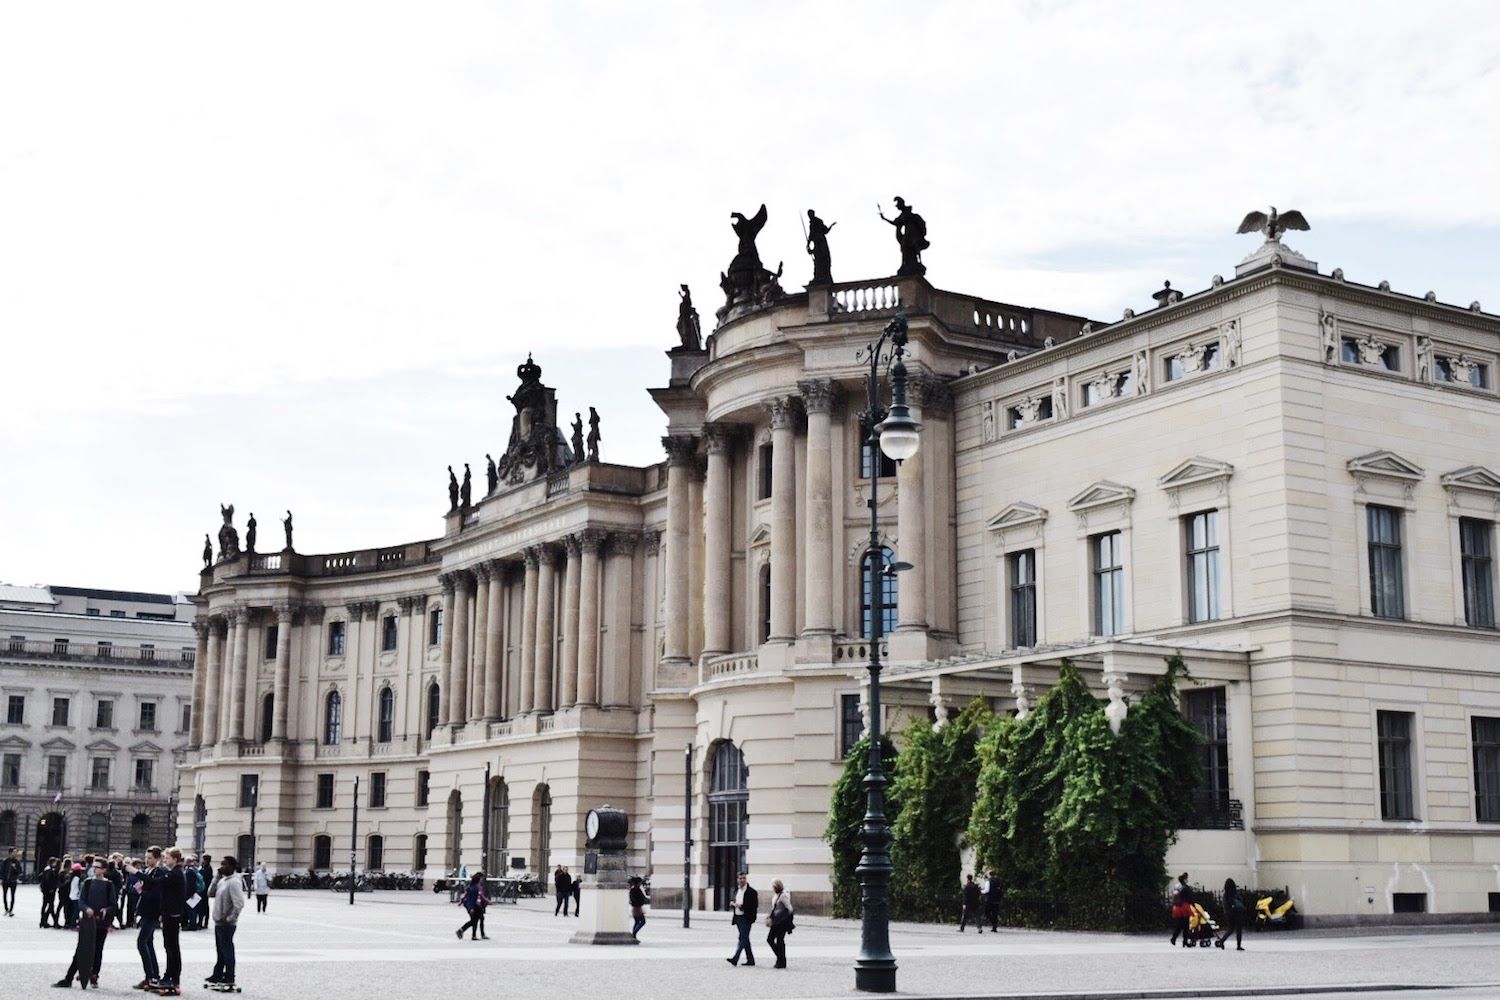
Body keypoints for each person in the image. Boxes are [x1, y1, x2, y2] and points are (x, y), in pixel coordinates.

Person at [54, 857, 114, 989]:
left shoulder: (109, 885)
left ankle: (94, 975)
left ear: (103, 869)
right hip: (87, 922)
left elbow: (113, 905)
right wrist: (86, 909)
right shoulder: (87, 883)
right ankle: (69, 978)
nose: (94, 869)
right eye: (94, 866)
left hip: (101, 923)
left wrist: (106, 910)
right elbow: (81, 901)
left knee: (98, 950)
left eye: (98, 867)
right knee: (81, 949)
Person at [207, 855, 246, 988]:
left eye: (224, 864)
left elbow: (239, 903)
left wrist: (230, 918)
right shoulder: (222, 880)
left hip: (227, 923)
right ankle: (218, 974)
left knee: (227, 950)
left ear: (232, 866)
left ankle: (230, 976)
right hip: (218, 921)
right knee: (220, 950)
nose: (221, 867)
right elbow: (210, 893)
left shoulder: (234, 882)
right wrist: (216, 877)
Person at [156, 847, 188, 996]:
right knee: (169, 946)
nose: (165, 860)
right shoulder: (173, 872)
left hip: (173, 914)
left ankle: (174, 977)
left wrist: (136, 873)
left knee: (172, 947)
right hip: (169, 913)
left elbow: (157, 882)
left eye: (167, 858)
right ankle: (169, 974)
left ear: (175, 859)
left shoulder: (175, 873)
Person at [133, 847, 164, 990]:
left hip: (152, 914)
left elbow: (156, 897)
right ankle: (153, 976)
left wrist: (141, 892)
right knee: (149, 944)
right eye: (146, 857)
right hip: (146, 913)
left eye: (150, 858)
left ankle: (150, 976)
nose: (147, 860)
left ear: (157, 859)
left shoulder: (159, 872)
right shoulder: (148, 872)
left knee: (141, 943)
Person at [726, 870, 758, 967]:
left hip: (747, 918)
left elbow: (754, 906)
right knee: (745, 939)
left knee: (742, 938)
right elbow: (733, 899)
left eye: (744, 878)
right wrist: (732, 903)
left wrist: (742, 906)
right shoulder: (736, 890)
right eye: (740, 878)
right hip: (738, 917)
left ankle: (735, 958)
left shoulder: (752, 892)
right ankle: (750, 960)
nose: (742, 880)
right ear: (737, 880)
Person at [765, 878, 794, 969]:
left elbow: (789, 908)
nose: (772, 888)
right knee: (772, 940)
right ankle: (781, 959)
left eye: (773, 886)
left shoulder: (783, 895)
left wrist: (785, 918)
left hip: (782, 922)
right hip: (776, 921)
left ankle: (781, 960)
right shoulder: (776, 895)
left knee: (778, 940)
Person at [1216, 877, 1247, 951]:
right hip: (1237, 913)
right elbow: (1240, 901)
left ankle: (1222, 940)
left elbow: (1225, 905)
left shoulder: (1225, 895)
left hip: (1229, 914)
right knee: (1239, 930)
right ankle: (1238, 945)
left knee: (1230, 929)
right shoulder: (1234, 893)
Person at [456, 871, 488, 940]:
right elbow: (479, 896)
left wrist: (461, 902)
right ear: (479, 879)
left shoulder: (472, 886)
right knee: (474, 921)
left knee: (477, 920)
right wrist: (486, 901)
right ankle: (463, 930)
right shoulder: (476, 887)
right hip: (475, 906)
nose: (482, 879)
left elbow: (466, 895)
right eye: (482, 878)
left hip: (474, 906)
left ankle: (475, 935)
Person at [1168, 873, 1193, 947]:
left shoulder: (1177, 886)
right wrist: (1193, 903)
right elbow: (1189, 897)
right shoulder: (1185, 887)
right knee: (1185, 926)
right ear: (1184, 879)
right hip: (1184, 907)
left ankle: (1175, 938)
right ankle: (1183, 941)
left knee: (1180, 924)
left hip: (1178, 907)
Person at [40, 857, 61, 927]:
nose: (55, 864)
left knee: (47, 906)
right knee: (49, 906)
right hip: (49, 891)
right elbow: (48, 880)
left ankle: (44, 921)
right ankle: (46, 921)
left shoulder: (47, 869)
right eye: (54, 862)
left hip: (46, 890)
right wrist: (51, 888)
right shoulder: (50, 870)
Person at [1, 846, 21, 915]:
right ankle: (6, 909)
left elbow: (19, 871)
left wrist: (15, 868)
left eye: (16, 852)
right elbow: (1, 871)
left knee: (12, 895)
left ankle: (11, 910)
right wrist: (2, 878)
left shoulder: (17, 862)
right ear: (10, 853)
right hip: (5, 881)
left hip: (13, 881)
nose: (15, 853)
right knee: (5, 895)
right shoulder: (5, 861)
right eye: (14, 852)